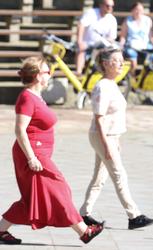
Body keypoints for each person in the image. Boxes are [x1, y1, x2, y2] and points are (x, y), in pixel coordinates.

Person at [0, 56, 103, 245]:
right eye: (48, 72)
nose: (50, 75)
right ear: (38, 76)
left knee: (32, 199)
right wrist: (31, 158)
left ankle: (0, 230)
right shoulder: (26, 97)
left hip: (39, 153)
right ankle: (84, 231)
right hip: (32, 154)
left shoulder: (36, 96)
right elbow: (20, 129)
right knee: (59, 190)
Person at [79, 47, 153, 230]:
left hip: (110, 136)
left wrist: (116, 140)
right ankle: (134, 216)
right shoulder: (102, 86)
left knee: (99, 178)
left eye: (122, 60)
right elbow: (99, 117)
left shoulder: (112, 84)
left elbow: (113, 117)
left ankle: (84, 214)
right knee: (119, 175)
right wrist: (106, 145)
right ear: (105, 64)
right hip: (103, 136)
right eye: (117, 61)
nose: (122, 64)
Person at [76, 0, 117, 75]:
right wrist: (79, 41)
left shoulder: (112, 19)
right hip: (88, 43)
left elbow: (112, 38)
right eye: (107, 6)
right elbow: (81, 25)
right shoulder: (91, 13)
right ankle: (79, 73)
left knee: (113, 51)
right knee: (81, 49)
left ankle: (108, 74)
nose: (110, 8)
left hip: (102, 46)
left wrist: (106, 41)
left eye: (112, 6)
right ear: (101, 5)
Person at [119, 2, 153, 76]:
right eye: (136, 9)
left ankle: (145, 77)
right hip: (131, 45)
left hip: (145, 45)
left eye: (141, 10)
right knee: (131, 57)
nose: (138, 12)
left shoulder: (148, 20)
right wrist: (120, 46)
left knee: (152, 55)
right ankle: (132, 78)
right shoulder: (127, 20)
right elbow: (123, 36)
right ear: (132, 11)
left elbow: (151, 35)